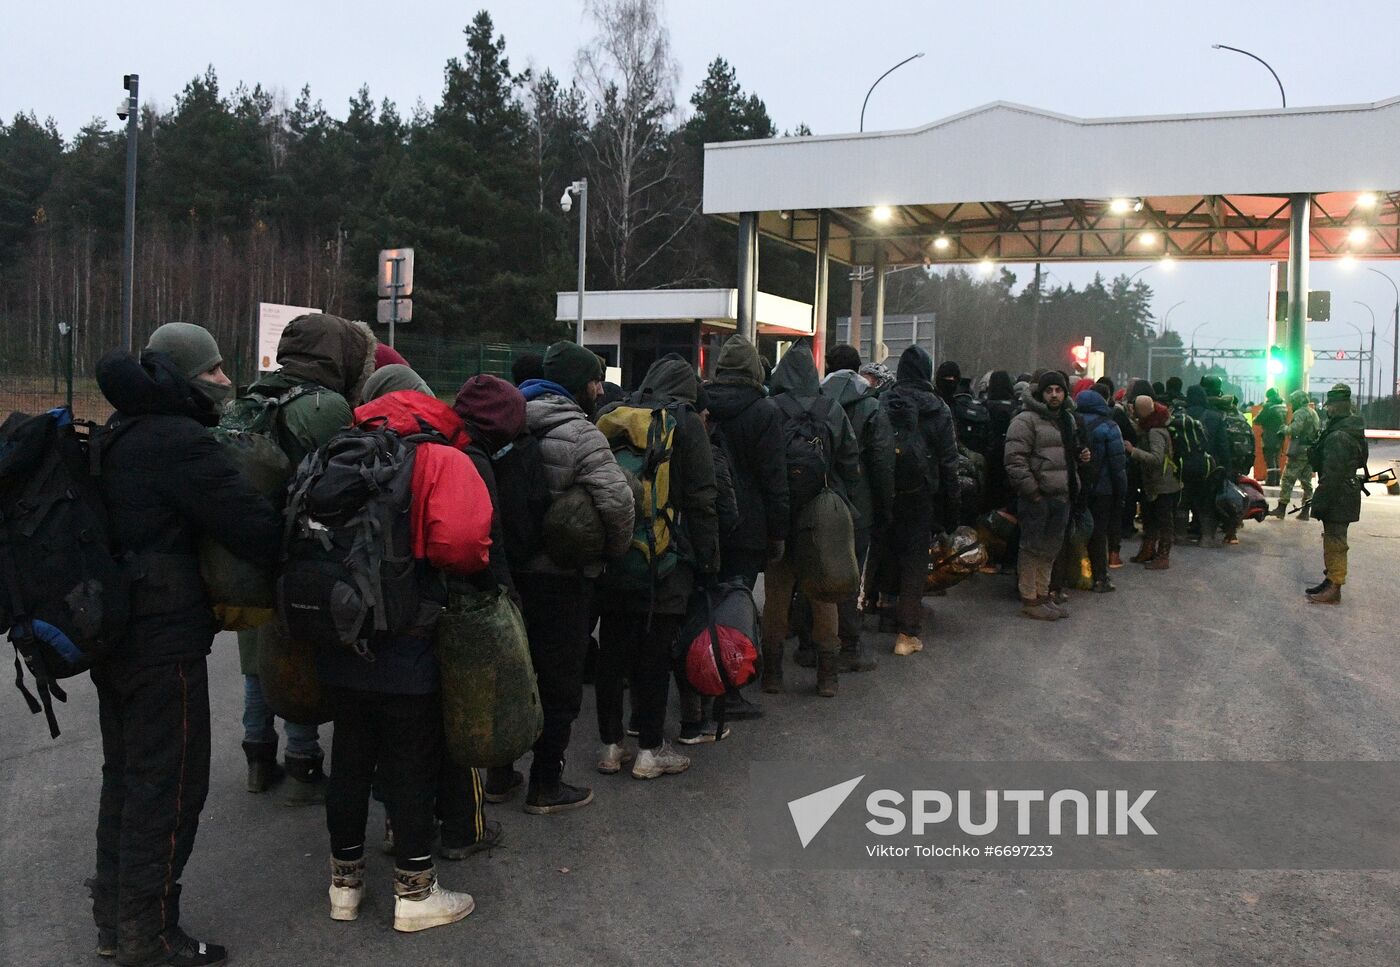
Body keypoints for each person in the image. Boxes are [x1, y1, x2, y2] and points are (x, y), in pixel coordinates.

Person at [91, 326, 281, 966]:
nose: (227, 380)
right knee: (170, 786)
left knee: (126, 778)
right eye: (216, 369)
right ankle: (150, 933)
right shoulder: (178, 442)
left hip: (116, 636)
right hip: (161, 640)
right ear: (185, 376)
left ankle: (115, 922)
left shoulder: (121, 430)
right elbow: (252, 528)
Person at [320, 385, 492, 932]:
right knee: (409, 763)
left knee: (347, 759)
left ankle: (343, 886)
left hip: (341, 632)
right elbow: (462, 548)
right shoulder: (441, 458)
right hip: (408, 638)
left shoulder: (336, 451)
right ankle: (415, 891)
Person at [237, 313, 375, 804]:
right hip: (304, 554)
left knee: (256, 656)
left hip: (247, 550)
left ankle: (257, 755)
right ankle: (302, 762)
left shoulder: (251, 396)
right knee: (301, 648)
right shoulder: (326, 406)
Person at [514, 341, 634, 813]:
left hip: (507, 575)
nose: (599, 390)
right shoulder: (582, 435)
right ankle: (545, 784)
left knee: (511, 672)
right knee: (560, 684)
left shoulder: (507, 419)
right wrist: (612, 553)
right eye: (594, 382)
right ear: (576, 386)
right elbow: (618, 502)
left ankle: (500, 773)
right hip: (564, 580)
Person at [594, 354, 719, 775]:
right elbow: (702, 501)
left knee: (612, 651)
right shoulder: (685, 423)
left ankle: (610, 747)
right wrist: (708, 560)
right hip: (664, 560)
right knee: (653, 654)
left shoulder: (611, 413)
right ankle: (650, 751)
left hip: (612, 554)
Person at [760, 341, 860, 697]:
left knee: (776, 597)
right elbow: (849, 461)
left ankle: (772, 674)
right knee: (824, 595)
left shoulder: (770, 408)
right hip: (822, 516)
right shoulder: (831, 409)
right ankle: (827, 676)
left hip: (781, 515)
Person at [791, 344, 894, 672]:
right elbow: (880, 459)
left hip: (813, 498)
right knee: (849, 575)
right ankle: (848, 645)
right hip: (856, 503)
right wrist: (883, 505)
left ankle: (808, 644)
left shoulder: (811, 399)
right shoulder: (871, 405)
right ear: (858, 368)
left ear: (829, 366)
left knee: (812, 567)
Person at [703, 334, 788, 721]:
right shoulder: (765, 411)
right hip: (749, 525)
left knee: (706, 602)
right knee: (737, 607)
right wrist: (777, 532)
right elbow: (774, 478)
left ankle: (701, 677)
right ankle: (730, 692)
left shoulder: (701, 403)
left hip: (708, 520)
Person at [873, 345, 959, 655]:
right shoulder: (938, 408)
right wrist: (952, 504)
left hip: (884, 488)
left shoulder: (883, 400)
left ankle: (882, 611)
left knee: (884, 550)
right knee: (913, 560)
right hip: (920, 493)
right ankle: (906, 633)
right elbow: (949, 461)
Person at [1005, 371, 1076, 620]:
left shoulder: (1067, 420)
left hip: (1061, 496)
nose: (1054, 395)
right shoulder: (1025, 420)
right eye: (1049, 390)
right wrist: (1032, 492)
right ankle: (1029, 598)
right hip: (1037, 497)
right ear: (1041, 393)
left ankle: (1043, 595)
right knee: (1032, 548)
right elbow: (1015, 460)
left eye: (1059, 390)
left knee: (1050, 549)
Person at [1305, 384, 1368, 605]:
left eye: (1330, 406)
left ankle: (1335, 587)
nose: (1327, 410)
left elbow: (1331, 475)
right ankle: (1330, 579)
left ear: (1338, 407)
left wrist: (1320, 502)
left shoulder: (1338, 436)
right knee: (1332, 538)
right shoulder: (1352, 429)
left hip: (1338, 494)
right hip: (1346, 491)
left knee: (1336, 541)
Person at [1074, 388, 1127, 592]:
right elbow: (1117, 464)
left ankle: (1071, 576)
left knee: (1073, 530)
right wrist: (1121, 491)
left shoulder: (1072, 422)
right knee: (1098, 533)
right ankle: (1100, 578)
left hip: (1077, 487)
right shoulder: (1110, 427)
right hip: (1103, 490)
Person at [1124, 395, 1181, 570]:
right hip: (1156, 483)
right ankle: (1148, 550)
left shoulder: (1155, 431)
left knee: (1164, 522)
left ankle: (1163, 556)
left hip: (1162, 484)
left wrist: (1133, 451)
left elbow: (1157, 458)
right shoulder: (1154, 424)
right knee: (1150, 520)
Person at [1272, 389, 1321, 520]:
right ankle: (1305, 510)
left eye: (1293, 401)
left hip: (1299, 450)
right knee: (1306, 482)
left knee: (1288, 478)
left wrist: (1284, 429)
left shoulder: (1300, 413)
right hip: (1310, 451)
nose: (1292, 404)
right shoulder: (1313, 412)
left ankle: (1281, 508)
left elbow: (1295, 429)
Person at [1256, 387, 1288, 485]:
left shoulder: (1268, 406)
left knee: (1269, 457)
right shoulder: (1283, 405)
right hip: (1280, 435)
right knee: (1277, 457)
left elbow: (1258, 420)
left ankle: (1271, 481)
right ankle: (1277, 480)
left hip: (1270, 435)